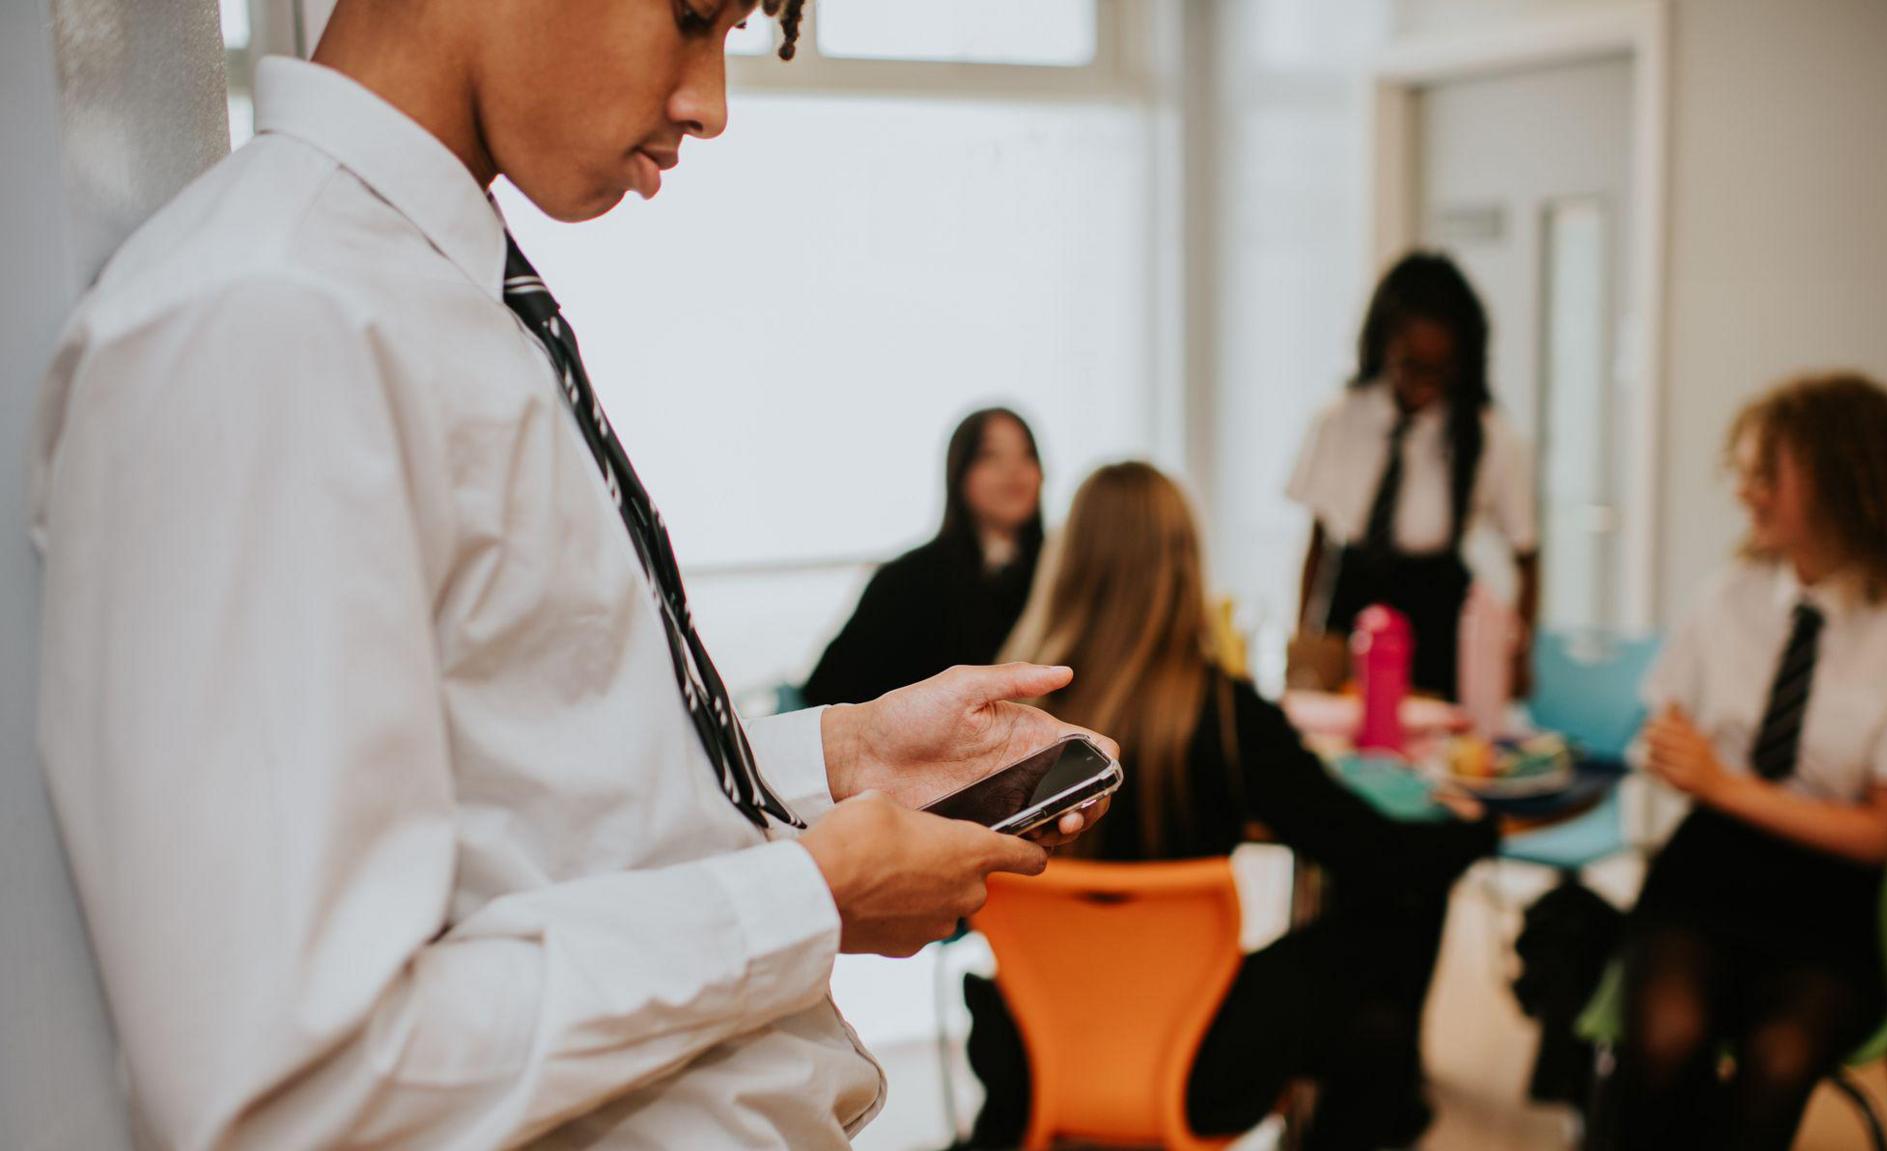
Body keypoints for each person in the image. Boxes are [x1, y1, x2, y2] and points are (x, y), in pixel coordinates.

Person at [28, 3, 1113, 1148]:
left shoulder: (423, 291)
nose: (711, 102)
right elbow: (293, 1080)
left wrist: (835, 760)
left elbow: (533, 806)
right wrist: (808, 898)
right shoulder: (266, 321)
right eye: (692, 16)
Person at [962, 462, 1498, 1150]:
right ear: (1185, 570)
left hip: (1033, 1053)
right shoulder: (1225, 715)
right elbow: (1371, 848)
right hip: (1196, 1066)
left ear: (1068, 565)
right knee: (1377, 955)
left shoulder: (1007, 720)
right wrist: (1476, 830)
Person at [1603, 374, 1887, 1150]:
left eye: (1765, 474)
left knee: (1779, 1063)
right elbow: (1663, 726)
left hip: (1830, 903)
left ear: (1844, 484)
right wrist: (1676, 756)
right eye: (1741, 471)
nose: (1746, 493)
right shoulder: (1726, 595)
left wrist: (1721, 782)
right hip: (1706, 875)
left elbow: (1879, 834)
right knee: (1666, 1036)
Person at [1288, 251, 1539, 698]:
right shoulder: (1340, 419)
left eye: (1439, 370)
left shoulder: (1486, 434)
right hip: (1353, 604)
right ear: (1384, 347)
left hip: (1437, 614)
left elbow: (1526, 551)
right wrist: (1305, 640)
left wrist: (1520, 652)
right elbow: (1318, 542)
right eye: (1412, 365)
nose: (1425, 383)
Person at [806, 407, 1044, 706]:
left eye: (1027, 454)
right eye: (991, 456)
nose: (1014, 470)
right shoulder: (907, 579)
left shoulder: (1063, 571)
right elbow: (828, 691)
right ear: (960, 472)